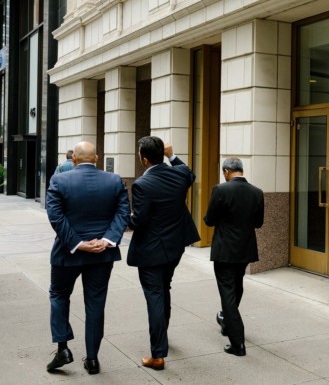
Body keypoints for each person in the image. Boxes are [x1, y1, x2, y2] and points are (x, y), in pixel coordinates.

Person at [45, 142, 130, 375]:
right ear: (97, 158)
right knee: (95, 303)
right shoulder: (114, 180)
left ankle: (62, 348)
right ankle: (92, 359)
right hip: (102, 254)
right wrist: (107, 240)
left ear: (73, 160)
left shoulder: (59, 181)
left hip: (67, 252)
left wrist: (77, 243)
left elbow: (55, 216)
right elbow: (123, 213)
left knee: (59, 295)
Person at [127, 136, 200, 371]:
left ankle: (158, 355)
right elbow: (189, 172)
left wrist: (124, 218)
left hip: (151, 250)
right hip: (176, 245)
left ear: (143, 159)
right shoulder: (178, 175)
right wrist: (172, 155)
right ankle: (163, 335)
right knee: (164, 288)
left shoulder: (141, 185)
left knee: (155, 295)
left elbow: (138, 220)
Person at [204, 157, 264, 357]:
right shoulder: (257, 192)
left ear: (226, 171)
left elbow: (209, 220)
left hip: (225, 250)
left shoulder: (221, 190)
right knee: (236, 286)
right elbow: (258, 223)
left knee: (227, 294)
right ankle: (228, 322)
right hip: (245, 249)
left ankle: (237, 343)